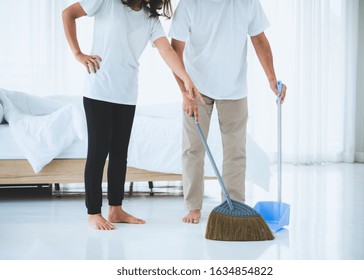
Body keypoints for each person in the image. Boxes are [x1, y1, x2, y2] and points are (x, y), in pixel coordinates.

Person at [62, 0, 204, 230]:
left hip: (127, 94)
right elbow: (68, 14)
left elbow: (167, 51)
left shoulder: (150, 19)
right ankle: (94, 213)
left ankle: (116, 210)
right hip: (98, 90)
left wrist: (186, 78)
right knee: (98, 152)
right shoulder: (106, 2)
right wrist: (78, 54)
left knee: (120, 154)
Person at [169, 0, 287, 223]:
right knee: (193, 149)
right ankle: (193, 207)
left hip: (234, 88)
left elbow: (259, 40)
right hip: (196, 89)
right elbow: (176, 50)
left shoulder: (247, 3)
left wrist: (272, 78)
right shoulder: (189, 4)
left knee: (235, 152)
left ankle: (234, 206)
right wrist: (185, 93)